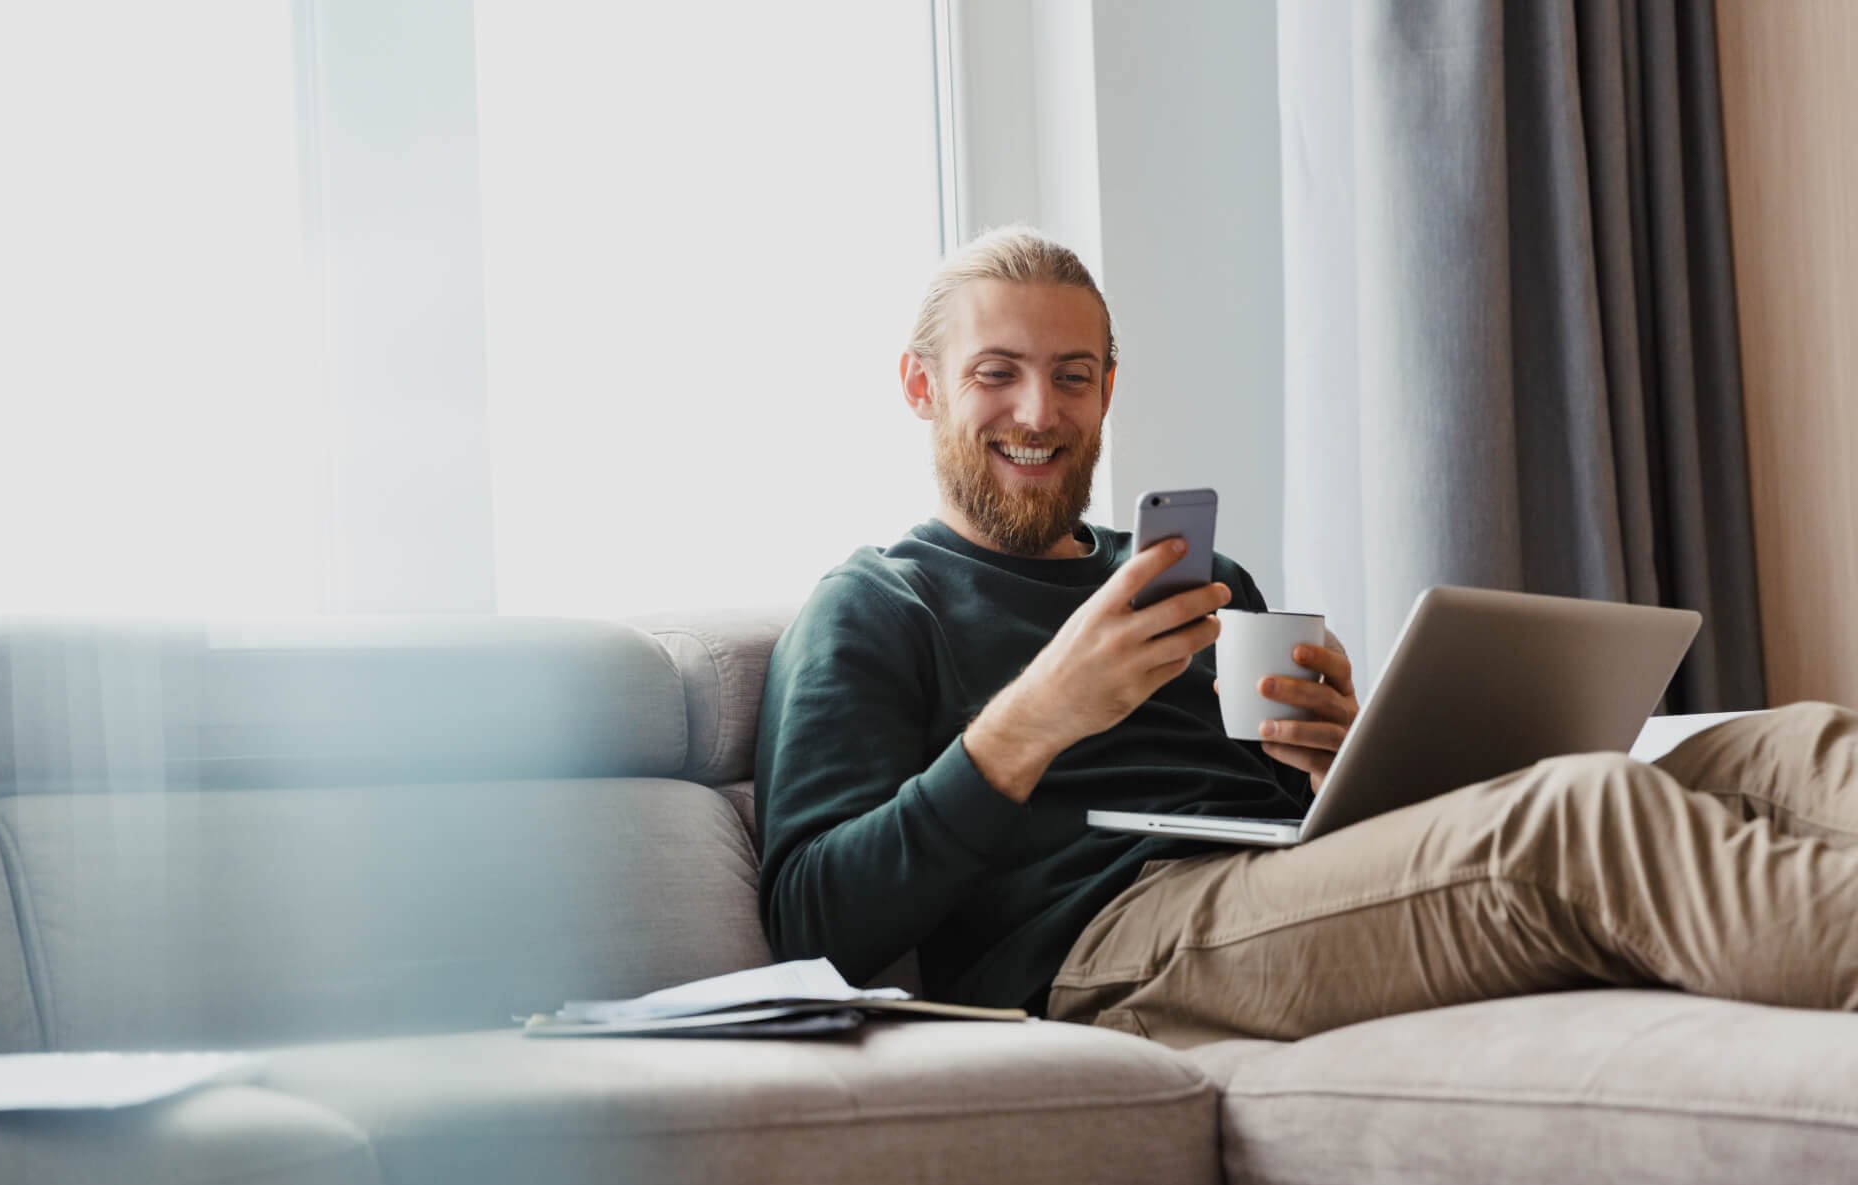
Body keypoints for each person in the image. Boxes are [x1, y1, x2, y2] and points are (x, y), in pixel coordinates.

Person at [752, 226, 1858, 1046]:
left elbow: (1304, 837)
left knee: (1786, 744)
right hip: (1108, 943)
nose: (1040, 411)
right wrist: (1031, 721)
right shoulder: (875, 606)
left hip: (1284, 885)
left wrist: (1342, 760)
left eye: (1073, 375)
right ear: (921, 387)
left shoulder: (1200, 583)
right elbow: (816, 921)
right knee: (1586, 813)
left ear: (1107, 388)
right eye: (998, 373)